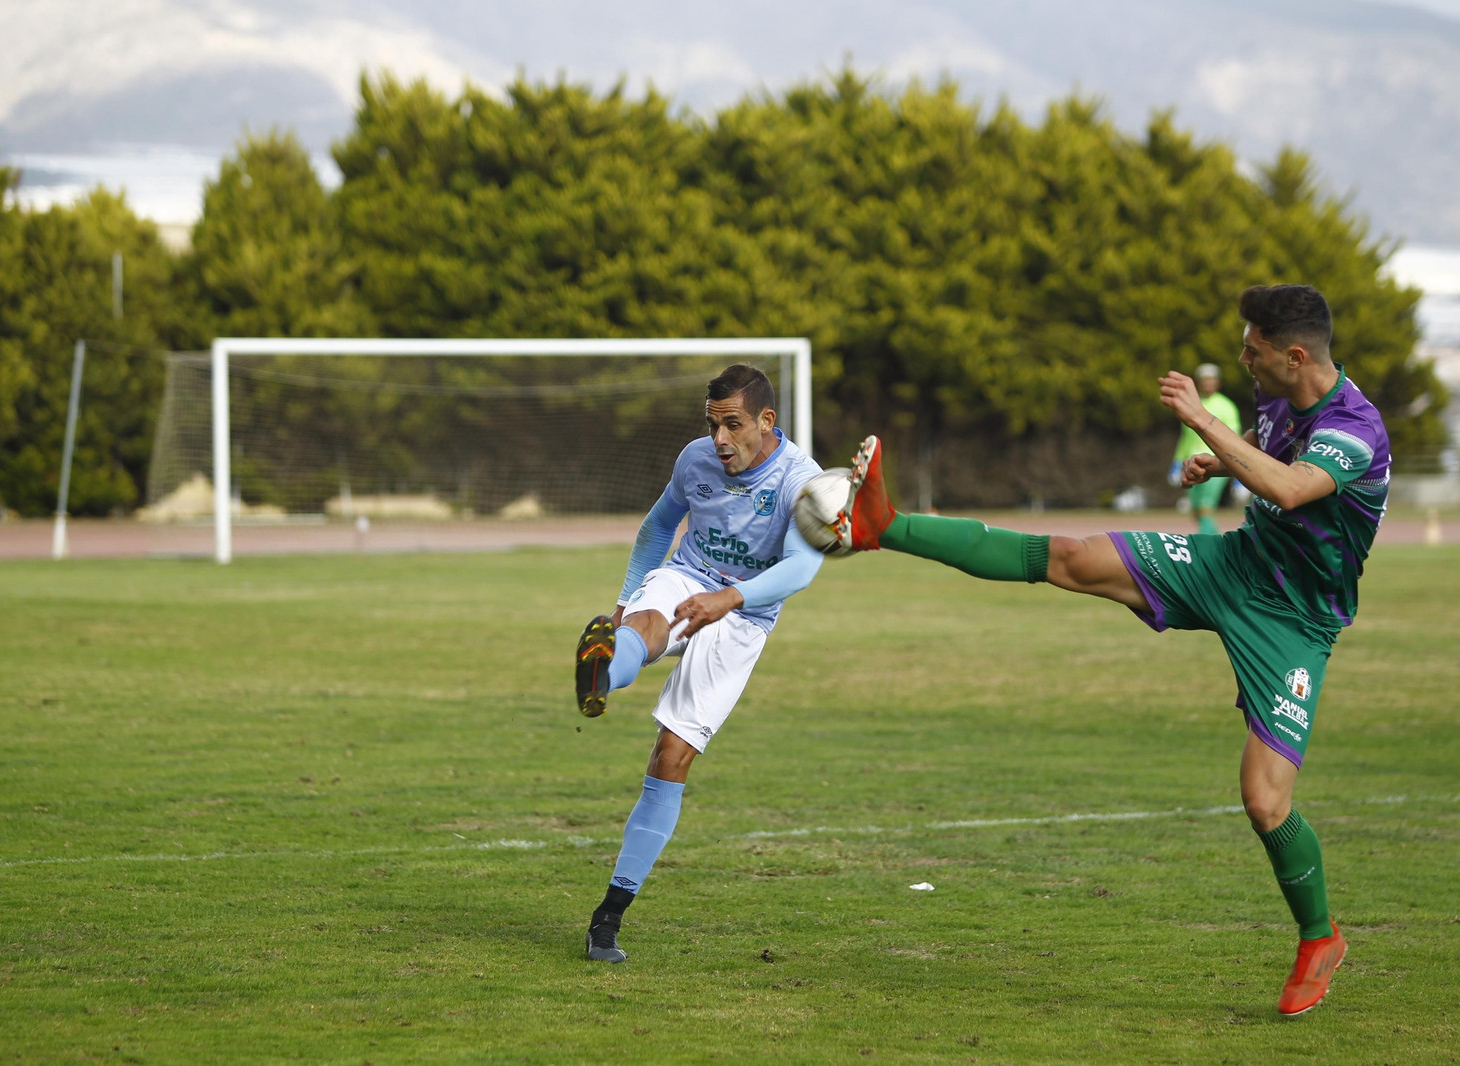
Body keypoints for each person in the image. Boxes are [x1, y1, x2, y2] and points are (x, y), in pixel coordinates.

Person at [837, 285, 1388, 1016]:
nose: (1241, 359)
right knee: (1069, 555)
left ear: (1294, 355)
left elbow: (1292, 487)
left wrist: (1199, 424)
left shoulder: (1356, 426)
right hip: (1238, 566)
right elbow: (1271, 461)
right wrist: (1223, 464)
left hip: (1295, 623)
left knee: (1263, 801)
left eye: (1251, 350)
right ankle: (883, 523)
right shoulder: (1279, 397)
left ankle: (1320, 938)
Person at [574, 364, 825, 963]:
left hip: (744, 614)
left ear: (766, 421)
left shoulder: (801, 481)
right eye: (713, 426)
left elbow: (801, 568)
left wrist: (729, 598)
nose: (720, 440)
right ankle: (604, 666)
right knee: (645, 625)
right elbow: (660, 524)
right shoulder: (695, 459)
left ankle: (607, 918)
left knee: (671, 755)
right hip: (688, 576)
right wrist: (624, 600)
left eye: (733, 426)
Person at [1171, 363, 1244, 535]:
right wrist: (1176, 462)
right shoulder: (1192, 406)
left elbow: (1234, 438)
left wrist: (1239, 469)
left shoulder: (1226, 406)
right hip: (1191, 462)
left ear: (1218, 382)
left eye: (1211, 380)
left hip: (1215, 462)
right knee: (1196, 511)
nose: (1207, 384)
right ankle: (1214, 543)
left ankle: (1211, 547)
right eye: (1204, 380)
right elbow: (1186, 438)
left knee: (1205, 508)